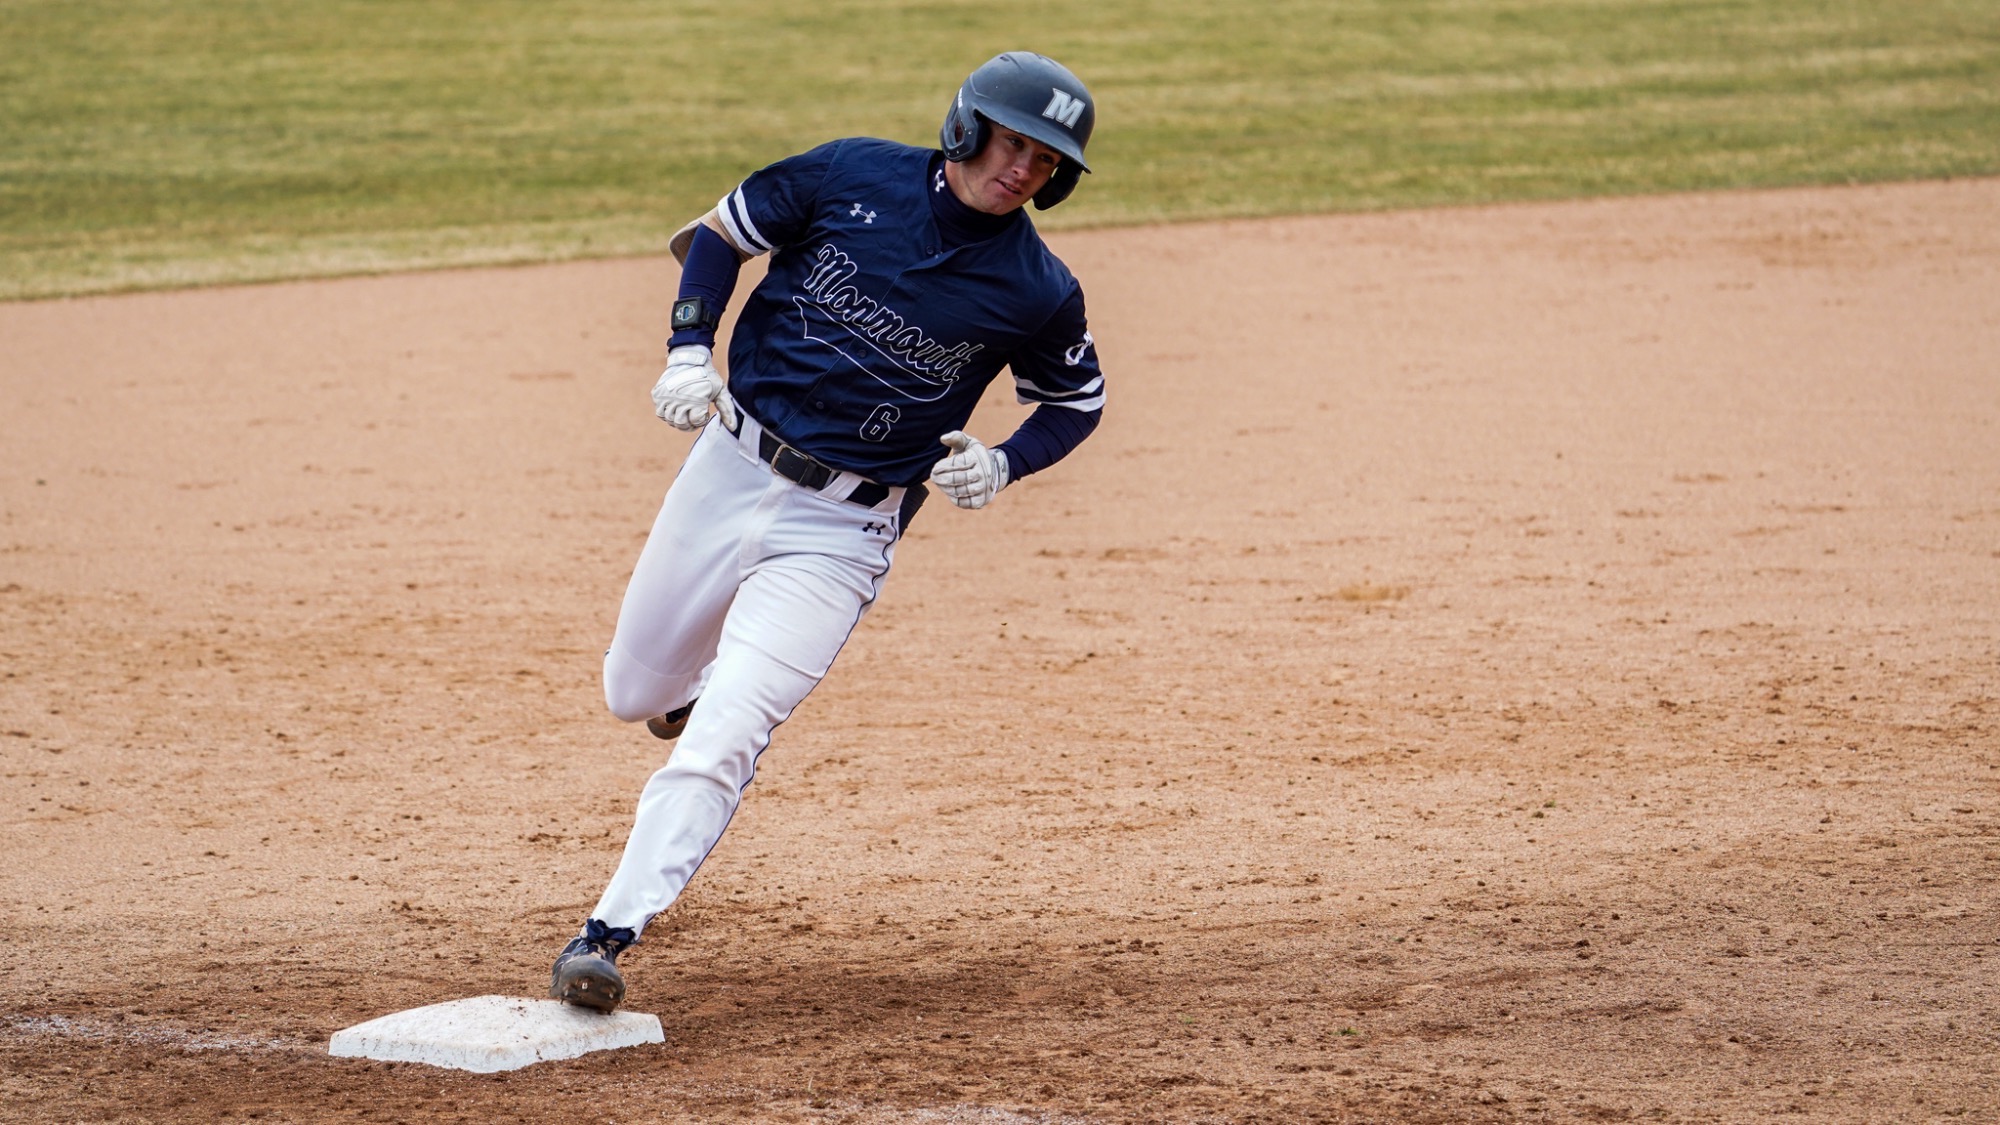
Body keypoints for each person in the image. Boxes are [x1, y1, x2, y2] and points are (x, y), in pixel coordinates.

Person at [547, 52, 1107, 1012]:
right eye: (1016, 143)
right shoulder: (850, 174)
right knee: (629, 689)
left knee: (733, 726)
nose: (1025, 169)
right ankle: (676, 694)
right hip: (725, 469)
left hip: (841, 532)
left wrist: (1005, 462)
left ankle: (607, 930)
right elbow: (723, 233)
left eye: (1047, 162)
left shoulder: (1038, 289)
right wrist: (689, 349)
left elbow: (1077, 401)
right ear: (968, 127)